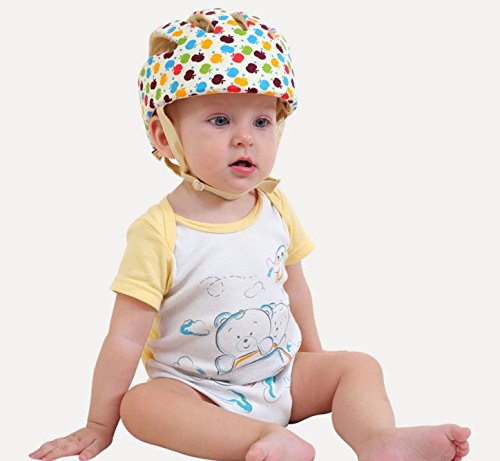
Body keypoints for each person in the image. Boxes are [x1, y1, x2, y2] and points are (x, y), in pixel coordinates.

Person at [29, 7, 471, 461]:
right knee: (141, 405)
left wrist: (314, 359)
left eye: (261, 122)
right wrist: (99, 424)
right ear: (165, 137)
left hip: (281, 375)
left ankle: (378, 438)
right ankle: (260, 440)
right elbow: (125, 337)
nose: (246, 138)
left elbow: (295, 288)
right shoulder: (159, 231)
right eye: (221, 120)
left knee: (359, 365)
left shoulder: (275, 206)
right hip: (200, 392)